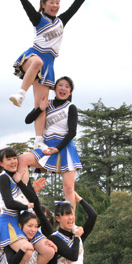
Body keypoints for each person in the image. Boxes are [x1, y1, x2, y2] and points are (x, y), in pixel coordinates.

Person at [1, 0, 98, 149]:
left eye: (57, 2)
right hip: (32, 58)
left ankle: (38, 141)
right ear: (44, 5)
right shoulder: (39, 19)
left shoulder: (61, 21)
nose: (55, 5)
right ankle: (21, 94)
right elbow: (26, 5)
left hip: (49, 65)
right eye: (51, 2)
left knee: (42, 104)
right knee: (37, 62)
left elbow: (76, 5)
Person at [0, 148, 55, 264]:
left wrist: (21, 182)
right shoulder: (3, 177)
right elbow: (8, 203)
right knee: (27, 251)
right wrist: (25, 205)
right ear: (1, 163)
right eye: (9, 159)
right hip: (9, 221)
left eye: (14, 158)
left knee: (49, 251)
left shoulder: (18, 176)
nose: (13, 161)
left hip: (23, 220)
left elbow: (33, 198)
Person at [18, 77, 82, 210]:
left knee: (69, 188)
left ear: (70, 92)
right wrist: (40, 108)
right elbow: (27, 120)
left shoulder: (71, 107)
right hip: (46, 146)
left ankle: (70, 224)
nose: (63, 88)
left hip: (64, 147)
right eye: (60, 85)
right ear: (54, 88)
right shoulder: (47, 103)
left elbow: (72, 132)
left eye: (67, 86)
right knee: (23, 159)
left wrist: (57, 149)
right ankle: (23, 197)